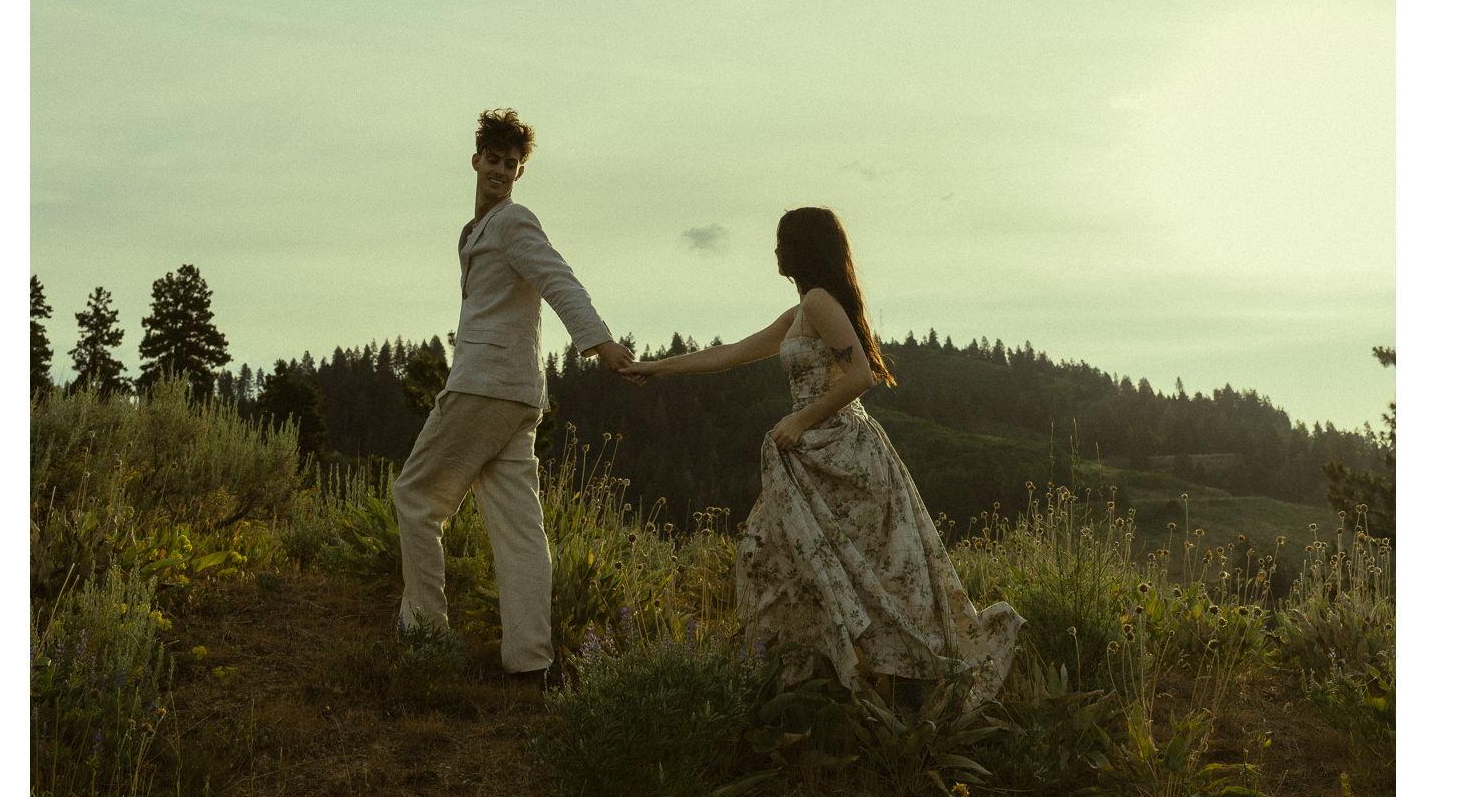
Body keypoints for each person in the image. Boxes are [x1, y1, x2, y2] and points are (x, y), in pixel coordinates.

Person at [629, 206, 1021, 707]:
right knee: (778, 557)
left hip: (840, 450)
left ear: (803, 248)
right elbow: (730, 352)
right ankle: (811, 674)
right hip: (813, 453)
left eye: (782, 241)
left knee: (855, 570)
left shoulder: (818, 302)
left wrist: (799, 420)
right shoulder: (800, 312)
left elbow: (860, 376)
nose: (775, 251)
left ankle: (863, 681)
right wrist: (657, 367)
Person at [391, 108, 638, 683]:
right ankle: (530, 663)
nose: (501, 170)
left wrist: (601, 344)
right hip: (518, 394)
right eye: (494, 160)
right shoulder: (474, 230)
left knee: (416, 498)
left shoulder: (513, 221)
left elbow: (558, 279)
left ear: (520, 171)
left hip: (485, 386)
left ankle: (425, 634)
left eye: (511, 163)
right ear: (475, 159)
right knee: (519, 528)